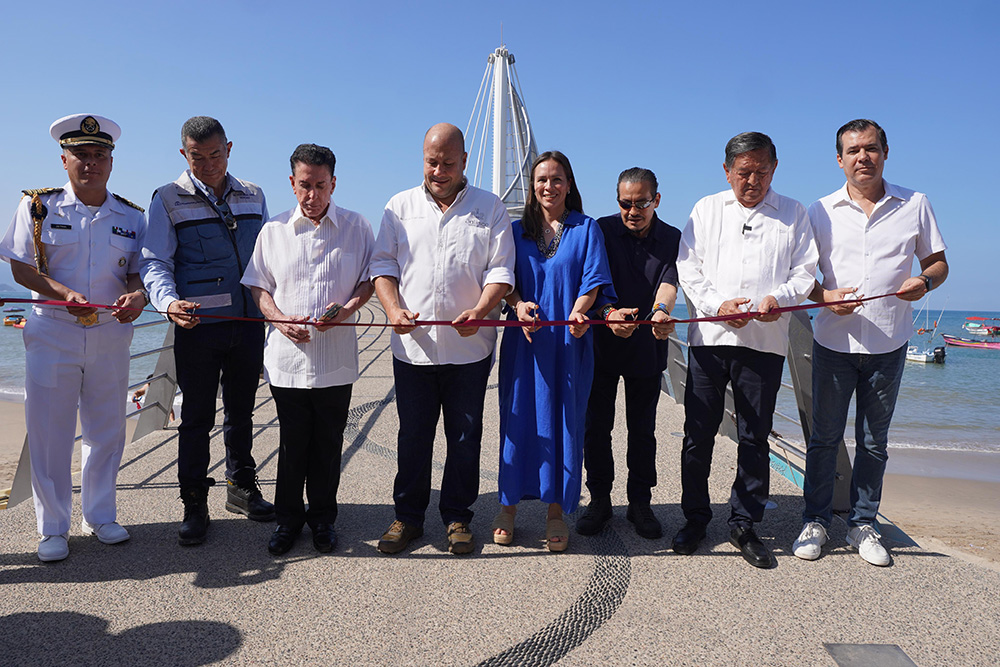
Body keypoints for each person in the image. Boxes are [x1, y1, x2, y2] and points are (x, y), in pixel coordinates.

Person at [793, 119, 948, 567]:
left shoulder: (915, 203)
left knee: (874, 443)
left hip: (890, 343)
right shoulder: (819, 210)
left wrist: (924, 282)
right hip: (832, 342)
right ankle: (816, 521)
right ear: (839, 160)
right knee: (823, 439)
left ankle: (863, 523)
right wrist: (825, 297)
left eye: (871, 148)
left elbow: (938, 264)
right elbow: (803, 279)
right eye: (853, 150)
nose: (863, 157)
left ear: (885, 152)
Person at [0, 114, 147, 561]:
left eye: (99, 155)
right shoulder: (37, 207)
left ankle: (100, 515)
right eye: (81, 155)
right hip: (54, 331)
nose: (90, 163)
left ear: (111, 161)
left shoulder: (131, 216)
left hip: (110, 334)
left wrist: (137, 295)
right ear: (64, 160)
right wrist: (64, 293)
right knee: (50, 432)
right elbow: (20, 265)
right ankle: (52, 528)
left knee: (106, 430)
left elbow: (138, 273)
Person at [370, 123, 515, 555]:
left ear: (465, 161)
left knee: (465, 437)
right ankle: (408, 517)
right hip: (412, 350)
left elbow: (501, 271)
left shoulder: (490, 208)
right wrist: (393, 309)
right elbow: (383, 266)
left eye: (448, 163)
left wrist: (485, 307)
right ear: (423, 159)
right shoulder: (399, 206)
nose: (439, 170)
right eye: (432, 162)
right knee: (413, 436)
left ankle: (456, 516)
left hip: (470, 350)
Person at [675, 132, 817, 568]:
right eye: (743, 173)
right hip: (710, 341)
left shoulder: (793, 213)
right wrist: (717, 305)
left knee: (755, 436)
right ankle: (696, 518)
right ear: (726, 172)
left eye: (761, 171)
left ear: (775, 168)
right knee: (698, 434)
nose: (752, 181)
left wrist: (780, 298)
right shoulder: (705, 208)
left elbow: (805, 271)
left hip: (764, 342)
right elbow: (688, 266)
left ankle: (744, 524)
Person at [140, 116, 274, 546]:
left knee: (242, 412)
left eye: (216, 155)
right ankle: (193, 502)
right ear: (184, 155)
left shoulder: (254, 195)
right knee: (196, 418)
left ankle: (241, 488)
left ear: (229, 148)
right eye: (198, 158)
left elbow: (271, 258)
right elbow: (154, 261)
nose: (209, 165)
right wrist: (167, 302)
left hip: (248, 324)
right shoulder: (166, 199)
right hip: (196, 327)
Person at [241, 144, 374, 556]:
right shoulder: (274, 230)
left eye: (320, 185)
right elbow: (259, 286)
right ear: (292, 184)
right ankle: (287, 521)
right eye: (304, 186)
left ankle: (322, 520)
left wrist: (348, 309)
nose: (312, 195)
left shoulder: (356, 227)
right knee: (293, 441)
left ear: (333, 183)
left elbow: (370, 281)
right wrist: (279, 320)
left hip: (335, 358)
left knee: (328, 443)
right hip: (287, 361)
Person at [492, 151, 615, 553]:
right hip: (524, 342)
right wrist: (518, 303)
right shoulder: (514, 231)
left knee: (565, 422)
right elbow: (502, 280)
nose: (549, 186)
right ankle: (507, 507)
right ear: (532, 186)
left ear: (569, 184)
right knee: (517, 420)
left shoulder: (586, 228)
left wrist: (581, 311)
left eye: (557, 179)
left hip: (569, 343)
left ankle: (556, 511)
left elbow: (593, 280)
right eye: (542, 179)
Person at [577, 167, 680, 540]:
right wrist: (607, 313)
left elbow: (669, 280)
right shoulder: (599, 230)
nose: (632, 211)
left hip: (647, 344)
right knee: (596, 428)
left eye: (641, 203)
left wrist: (662, 312)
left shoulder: (671, 236)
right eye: (625, 203)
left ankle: (640, 502)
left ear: (656, 200)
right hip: (602, 343)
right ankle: (599, 500)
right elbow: (590, 280)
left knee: (642, 430)